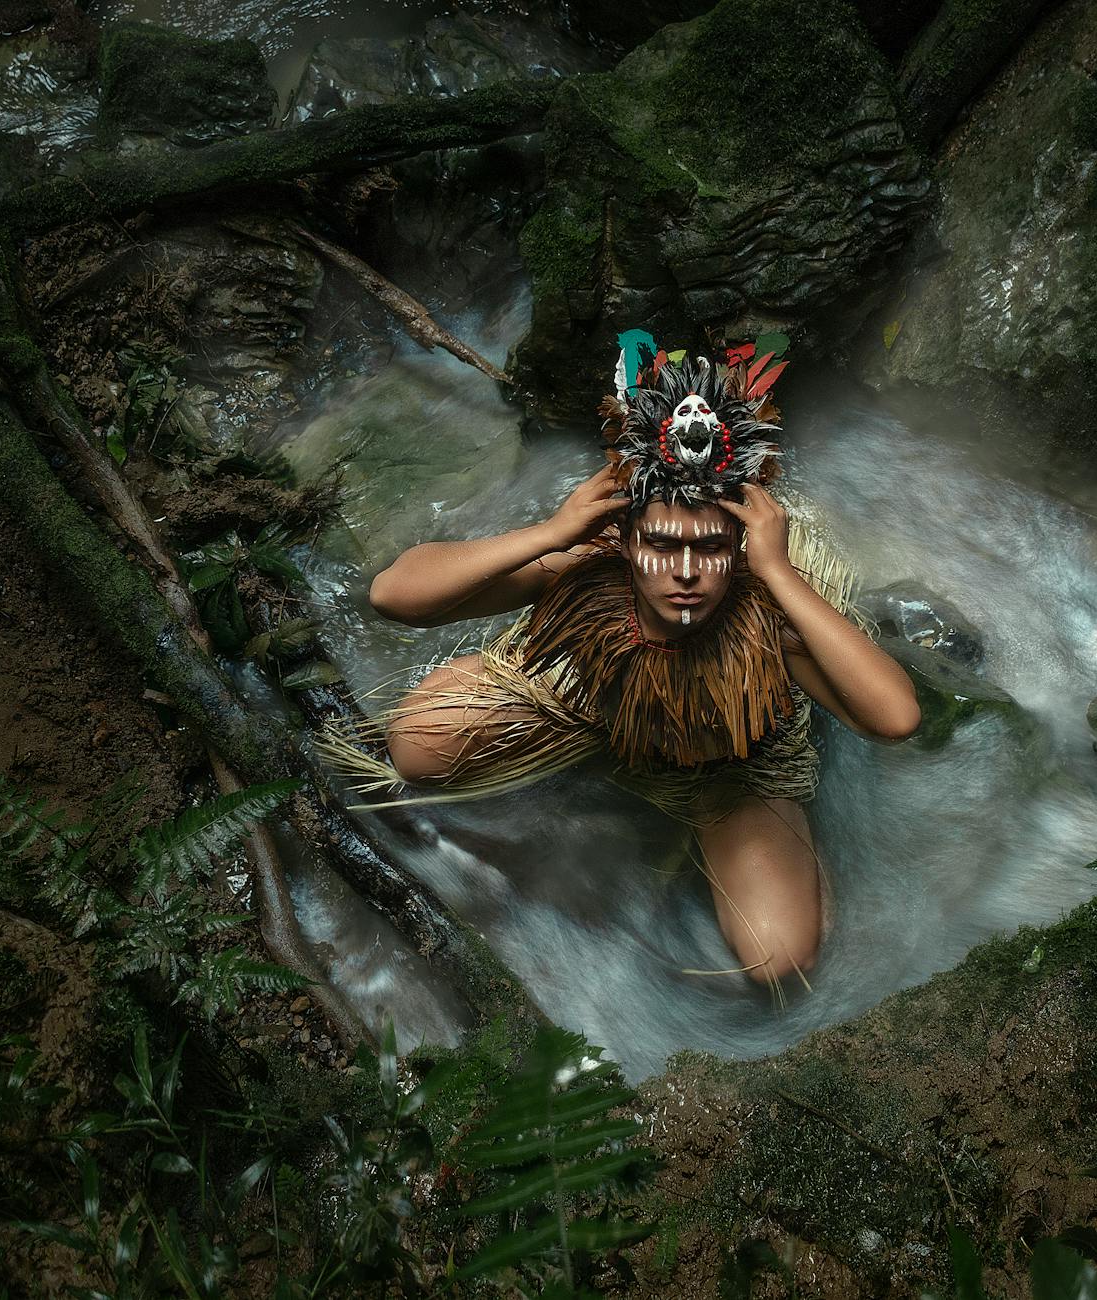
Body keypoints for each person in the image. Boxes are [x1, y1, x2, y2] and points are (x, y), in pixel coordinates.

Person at [324, 338, 920, 995]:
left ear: (739, 548)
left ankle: (700, 805)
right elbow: (393, 595)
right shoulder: (588, 564)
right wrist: (550, 534)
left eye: (709, 549)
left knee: (778, 959)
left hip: (729, 757)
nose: (686, 573)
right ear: (628, 541)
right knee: (416, 746)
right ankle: (610, 749)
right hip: (585, 703)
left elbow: (895, 718)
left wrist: (778, 572)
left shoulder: (765, 618)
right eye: (662, 544)